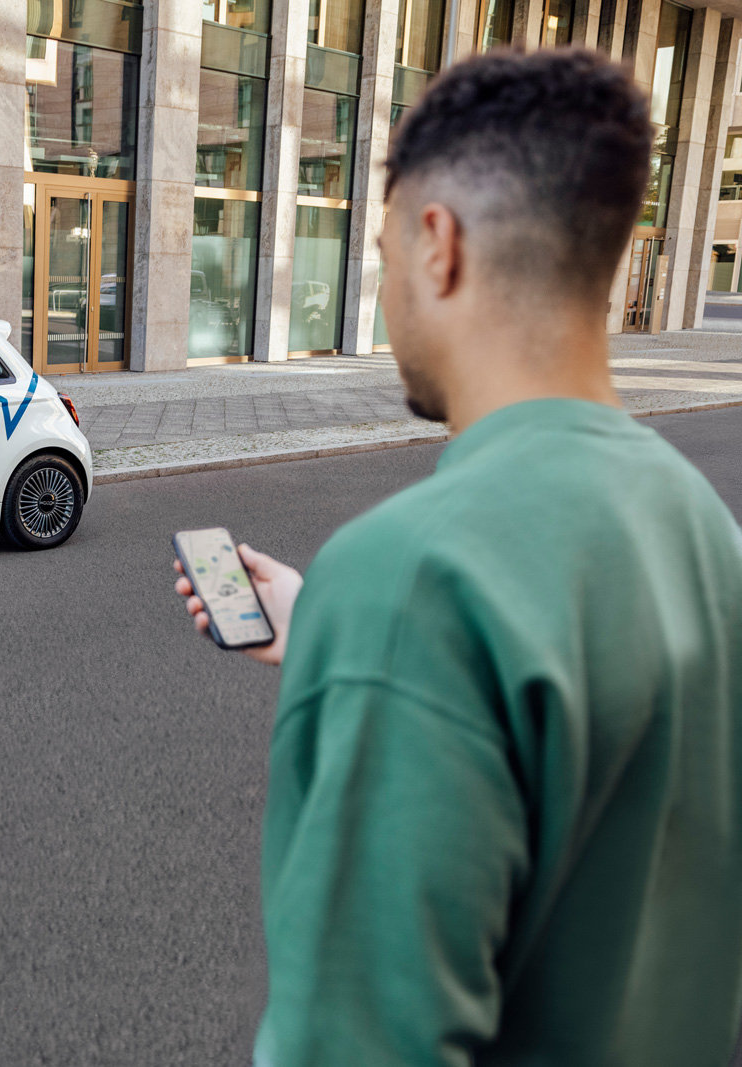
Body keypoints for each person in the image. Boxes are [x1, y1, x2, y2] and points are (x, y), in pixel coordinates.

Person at [175, 49, 742, 1065]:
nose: (388, 289)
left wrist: (373, 630)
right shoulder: (706, 531)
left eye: (384, 252)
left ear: (437, 245)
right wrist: (329, 631)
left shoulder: (411, 579)